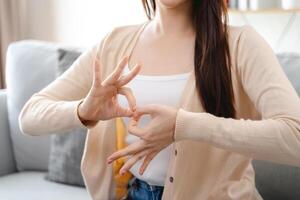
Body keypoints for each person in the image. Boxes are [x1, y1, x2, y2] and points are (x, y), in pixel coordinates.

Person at [19, 0, 300, 200]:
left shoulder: (241, 45)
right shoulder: (114, 44)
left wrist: (184, 125)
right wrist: (84, 110)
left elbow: (295, 137)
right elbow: (30, 116)